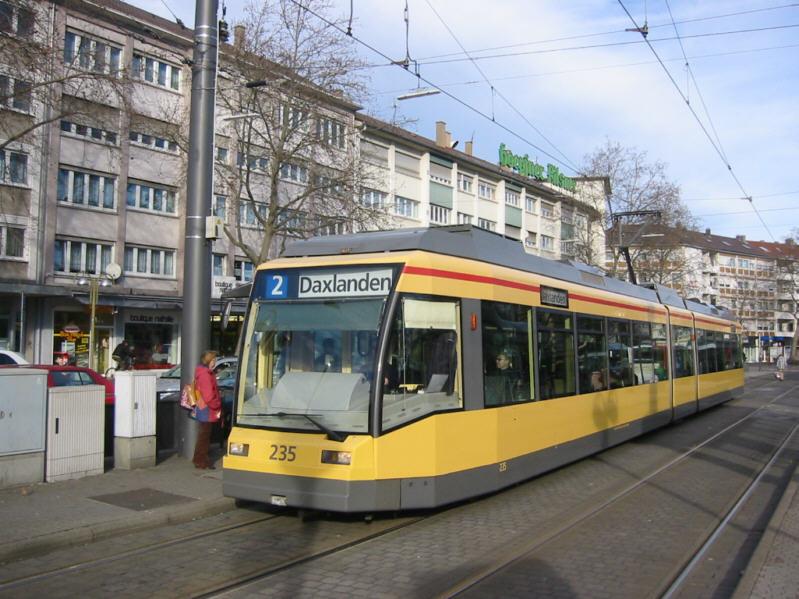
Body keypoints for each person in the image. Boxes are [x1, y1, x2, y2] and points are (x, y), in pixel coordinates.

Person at [192, 350, 223, 469]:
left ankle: (200, 459)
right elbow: (209, 396)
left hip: (203, 407)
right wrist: (217, 404)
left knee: (204, 435)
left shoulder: (203, 372)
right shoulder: (206, 374)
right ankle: (201, 461)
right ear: (209, 360)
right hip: (207, 409)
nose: (215, 362)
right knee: (204, 436)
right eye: (214, 360)